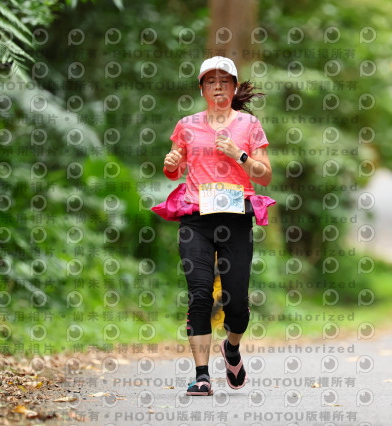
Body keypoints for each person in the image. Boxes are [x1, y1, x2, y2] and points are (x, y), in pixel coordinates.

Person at [151, 56, 276, 396]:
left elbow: (265, 175)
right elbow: (175, 170)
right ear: (202, 89)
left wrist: (239, 154)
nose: (217, 86)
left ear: (234, 87)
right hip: (197, 220)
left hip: (236, 219)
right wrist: (171, 163)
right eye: (210, 81)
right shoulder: (187, 125)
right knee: (200, 294)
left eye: (224, 81)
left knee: (236, 304)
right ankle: (202, 375)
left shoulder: (249, 125)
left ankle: (231, 347)